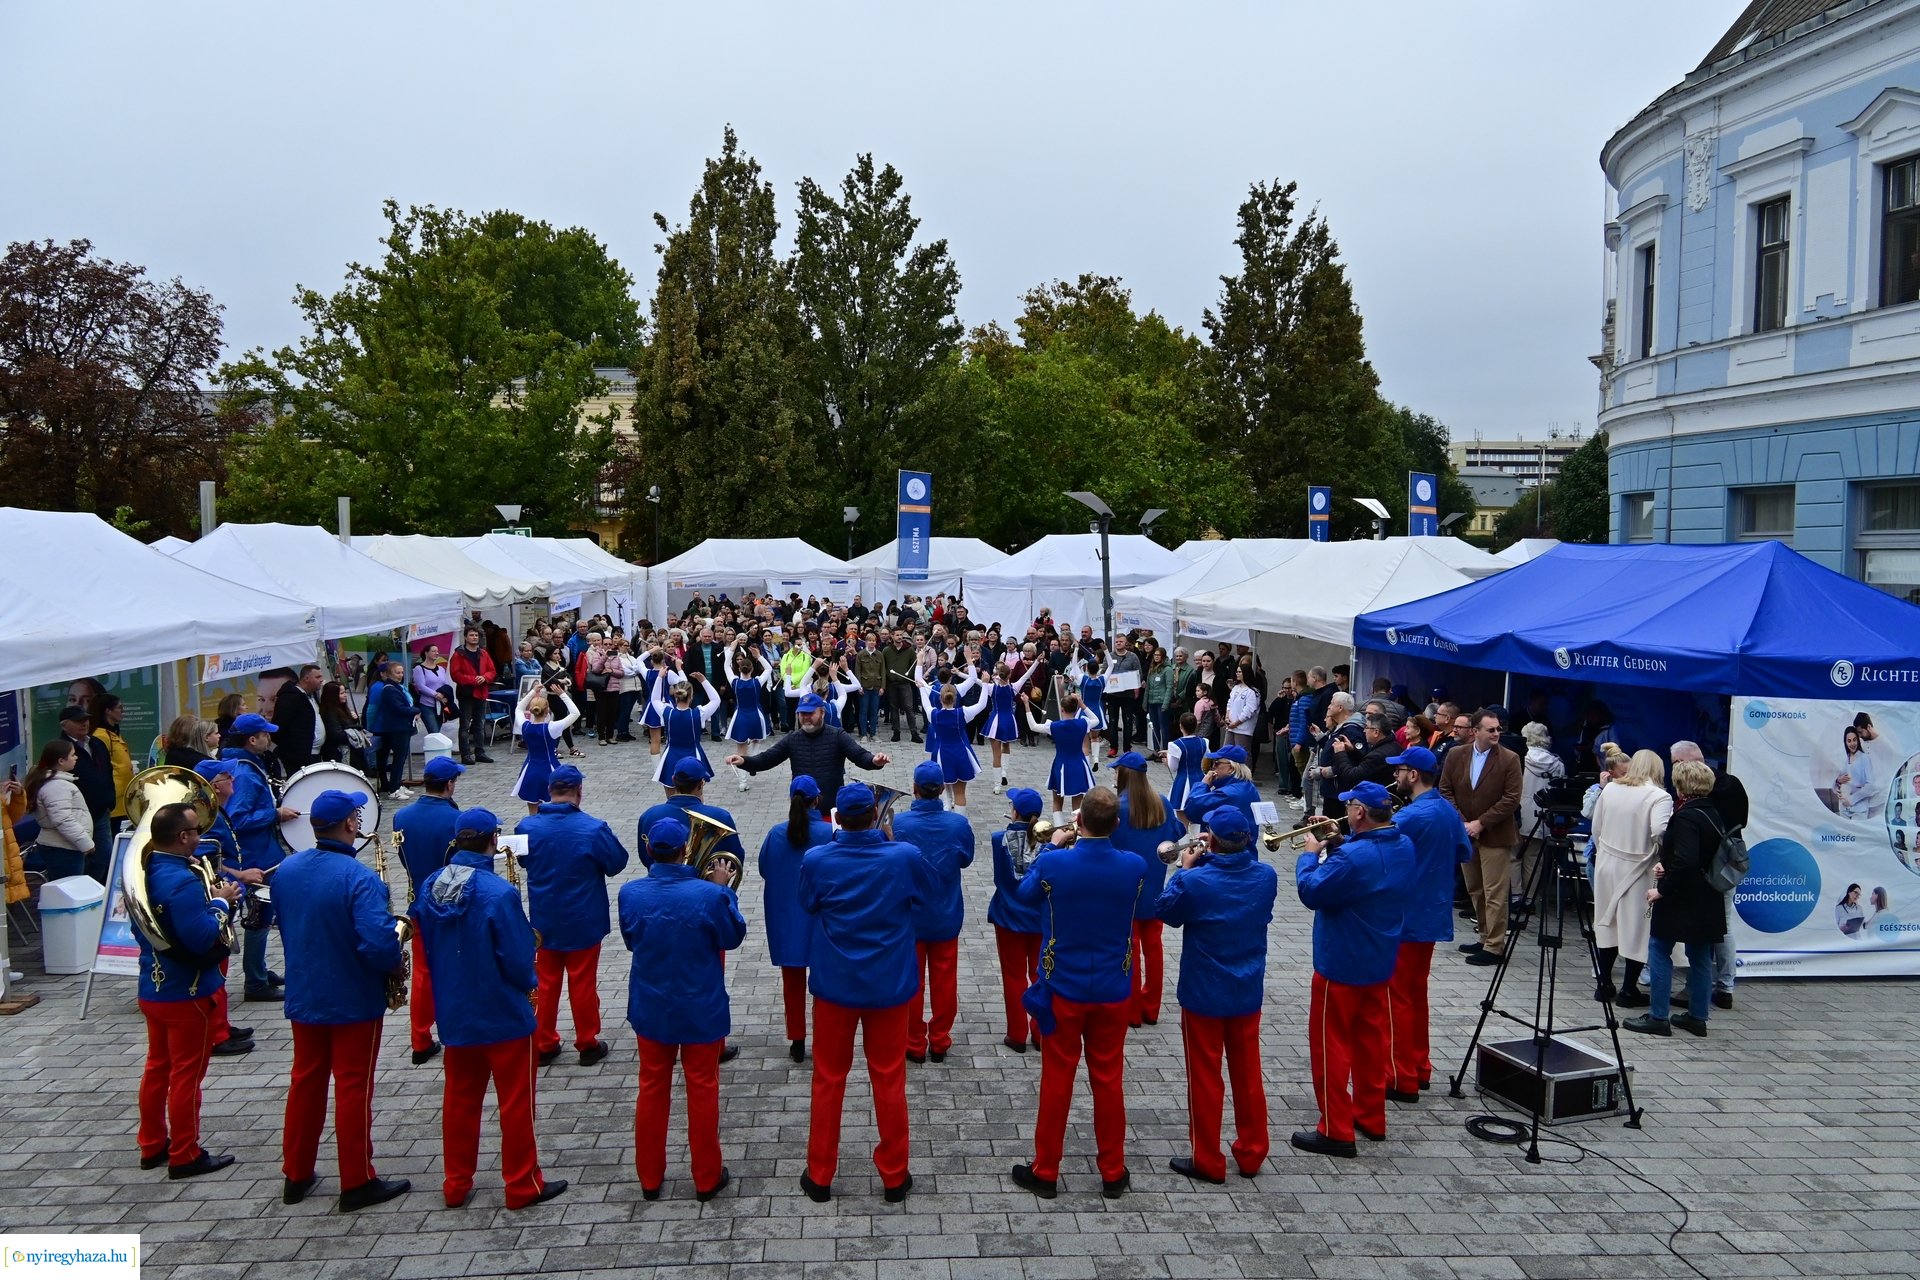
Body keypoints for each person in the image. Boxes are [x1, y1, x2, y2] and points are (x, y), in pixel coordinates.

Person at [411, 807, 565, 1209]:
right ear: (493, 841)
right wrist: (530, 983)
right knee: (516, 1103)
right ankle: (521, 1184)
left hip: (455, 1011)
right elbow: (517, 959)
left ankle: (456, 1183)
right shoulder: (498, 893)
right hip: (503, 1012)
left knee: (459, 1101)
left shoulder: (430, 885)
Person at [274, 788, 410, 1212]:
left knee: (305, 1081)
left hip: (305, 992)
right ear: (351, 824)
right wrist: (395, 964)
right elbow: (377, 944)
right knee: (353, 1086)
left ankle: (296, 1173)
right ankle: (356, 1179)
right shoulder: (360, 878)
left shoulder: (287, 869)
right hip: (352, 997)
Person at [1008, 787, 1147, 1200]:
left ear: (1079, 821)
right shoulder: (1134, 865)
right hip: (1113, 986)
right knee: (1109, 1080)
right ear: (1116, 824)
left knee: (1057, 1079)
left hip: (1063, 986)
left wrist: (1053, 845)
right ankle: (1112, 1171)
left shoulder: (1055, 862)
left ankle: (1046, 1169)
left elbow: (1024, 894)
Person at [795, 783, 930, 1204]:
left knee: (828, 1078)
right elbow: (925, 895)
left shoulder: (817, 859)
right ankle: (895, 1176)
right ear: (874, 815)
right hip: (888, 984)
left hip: (835, 983)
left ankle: (820, 1174)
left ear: (838, 818)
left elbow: (807, 903)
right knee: (889, 1078)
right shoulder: (904, 855)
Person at [621, 817, 747, 1202]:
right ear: (685, 850)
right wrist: (722, 891)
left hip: (651, 1004)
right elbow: (732, 937)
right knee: (703, 1087)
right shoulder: (709, 895)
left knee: (651, 1087)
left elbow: (631, 941)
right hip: (700, 1004)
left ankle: (649, 1177)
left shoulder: (630, 892)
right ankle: (706, 1177)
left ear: (649, 851)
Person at [1292, 781, 1415, 1158]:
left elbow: (1311, 892)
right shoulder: (1404, 845)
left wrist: (1310, 854)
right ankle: (1370, 1117)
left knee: (1330, 1046)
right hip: (1379, 959)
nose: (1345, 810)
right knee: (1370, 1043)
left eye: (1349, 806)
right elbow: (1368, 867)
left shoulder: (1351, 858)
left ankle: (1335, 1129)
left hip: (1341, 962)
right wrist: (1339, 840)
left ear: (1360, 812)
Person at [1157, 805, 1279, 1182]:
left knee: (1204, 1076)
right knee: (1248, 1073)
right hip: (1246, 987)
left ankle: (1207, 1158)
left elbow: (1166, 912)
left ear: (1210, 840)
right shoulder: (1266, 876)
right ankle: (1252, 1152)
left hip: (1204, 990)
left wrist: (1184, 869)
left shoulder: (1196, 881)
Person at [130, 801, 242, 1180]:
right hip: (187, 992)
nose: (200, 835)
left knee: (157, 1069)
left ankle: (151, 1145)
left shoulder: (145, 872)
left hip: (153, 986)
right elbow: (201, 937)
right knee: (186, 1076)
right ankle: (185, 1154)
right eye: (195, 830)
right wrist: (221, 902)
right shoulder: (181, 881)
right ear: (181, 837)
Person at [516, 764, 630, 1067]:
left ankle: (543, 1042)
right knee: (583, 982)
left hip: (543, 919)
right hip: (584, 919)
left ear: (549, 791)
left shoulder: (527, 827)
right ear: (579, 791)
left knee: (545, 982)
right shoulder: (593, 828)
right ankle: (587, 1042)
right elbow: (617, 863)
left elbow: (522, 862)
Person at [1381, 746, 1472, 1100]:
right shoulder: (1447, 810)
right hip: (1432, 914)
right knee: (1416, 995)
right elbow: (1463, 851)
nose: (1396, 776)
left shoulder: (1411, 816)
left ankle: (1400, 1076)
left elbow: (1378, 851)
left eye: (1400, 770)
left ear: (1414, 774)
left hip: (1406, 917)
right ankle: (1419, 1067)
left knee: (1397, 999)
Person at [1624, 760, 1725, 1039]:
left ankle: (1658, 1016)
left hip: (1682, 896)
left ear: (1682, 785)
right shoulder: (1713, 813)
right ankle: (1697, 1017)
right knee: (1700, 955)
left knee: (1659, 949)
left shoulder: (1685, 817)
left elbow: (1686, 860)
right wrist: (1667, 865)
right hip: (1708, 894)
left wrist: (1662, 889)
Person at [207, 713, 298, 1001]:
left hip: (260, 852)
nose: (269, 738)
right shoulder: (244, 773)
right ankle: (256, 982)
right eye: (265, 734)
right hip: (254, 856)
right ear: (252, 739)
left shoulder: (244, 766)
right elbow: (237, 819)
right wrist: (274, 814)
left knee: (262, 915)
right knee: (260, 916)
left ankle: (258, 970)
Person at [893, 761, 977, 1064]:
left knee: (912, 981)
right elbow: (966, 859)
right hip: (945, 913)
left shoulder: (899, 823)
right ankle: (940, 1039)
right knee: (945, 981)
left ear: (914, 788)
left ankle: (914, 1041)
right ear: (942, 789)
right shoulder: (958, 824)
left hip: (910, 916)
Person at [391, 756, 467, 1066]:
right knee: (455, 970)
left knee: (422, 974)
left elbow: (402, 857)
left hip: (418, 904)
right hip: (450, 904)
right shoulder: (456, 820)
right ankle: (456, 1031)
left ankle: (420, 1039)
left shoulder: (402, 816)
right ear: (449, 784)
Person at [1438, 709, 1522, 968]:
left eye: (1498, 729)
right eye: (1491, 729)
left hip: (1495, 835)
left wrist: (1481, 823)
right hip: (1465, 833)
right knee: (1475, 888)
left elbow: (1511, 798)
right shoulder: (1456, 755)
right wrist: (1462, 822)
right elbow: (1445, 789)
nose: (1497, 733)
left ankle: (1495, 946)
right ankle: (1485, 936)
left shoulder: (1509, 759)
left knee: (1495, 891)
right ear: (1475, 731)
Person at [756, 777, 831, 1062]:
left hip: (786, 917)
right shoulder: (829, 832)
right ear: (817, 800)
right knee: (824, 984)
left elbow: (764, 868)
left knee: (792, 982)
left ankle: (797, 1040)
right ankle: (823, 1038)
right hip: (821, 917)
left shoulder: (776, 833)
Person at [1670, 741, 1748, 1010]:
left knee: (1700, 930)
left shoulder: (1697, 794)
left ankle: (1696, 989)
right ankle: (1725, 986)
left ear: (1682, 763)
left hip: (1703, 868)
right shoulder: (1733, 784)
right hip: (1727, 865)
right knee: (1724, 926)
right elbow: (1742, 822)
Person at [1590, 748, 1672, 1006]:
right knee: (1636, 926)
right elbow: (1660, 830)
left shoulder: (1611, 789)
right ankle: (1628, 989)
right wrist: (1662, 854)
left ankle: (1604, 983)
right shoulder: (1659, 796)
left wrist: (1604, 853)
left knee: (1607, 921)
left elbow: (1596, 827)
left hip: (1607, 863)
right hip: (1639, 866)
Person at [1110, 752, 1184, 1027]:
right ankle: (1151, 1008)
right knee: (1154, 949)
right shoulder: (1161, 802)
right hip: (1154, 885)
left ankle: (1131, 1010)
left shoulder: (1117, 807)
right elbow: (1177, 833)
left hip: (1124, 888)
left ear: (1123, 774)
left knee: (1129, 949)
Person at [727, 693, 892, 812]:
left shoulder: (837, 735)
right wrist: (744, 761)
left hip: (831, 809)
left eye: (810, 713)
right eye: (802, 713)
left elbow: (859, 755)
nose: (805, 717)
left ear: (822, 712)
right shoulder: (793, 738)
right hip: (801, 812)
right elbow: (767, 759)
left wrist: (874, 761)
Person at [987, 788, 1047, 1052]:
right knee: (1040, 974)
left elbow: (999, 878)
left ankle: (1017, 1033)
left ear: (1015, 812)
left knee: (1013, 977)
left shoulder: (998, 839)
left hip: (1008, 916)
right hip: (1039, 917)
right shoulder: (1050, 843)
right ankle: (1041, 1032)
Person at [915, 662, 987, 811]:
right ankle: (960, 821)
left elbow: (925, 703)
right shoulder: (963, 713)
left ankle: (946, 808)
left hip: (942, 753)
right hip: (960, 752)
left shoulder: (933, 714)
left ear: (940, 698)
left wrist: (921, 687)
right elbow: (982, 704)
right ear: (955, 698)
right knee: (960, 793)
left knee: (943, 784)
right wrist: (985, 684)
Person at [57, 704, 115, 879]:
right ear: (64, 725)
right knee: (82, 859)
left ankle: (95, 887)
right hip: (78, 814)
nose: (84, 723)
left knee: (104, 855)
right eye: (78, 721)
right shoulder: (61, 748)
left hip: (101, 811)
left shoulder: (96, 743)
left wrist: (110, 799)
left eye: (86, 719)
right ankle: (85, 887)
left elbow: (108, 772)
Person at [1513, 721, 1568, 903]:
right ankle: (1529, 898)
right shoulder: (1557, 764)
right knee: (1534, 857)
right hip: (1542, 815)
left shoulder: (1519, 757)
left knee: (1513, 856)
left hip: (1519, 812)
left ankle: (1515, 895)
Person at [23, 740, 91, 882]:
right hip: (64, 848)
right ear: (61, 761)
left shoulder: (55, 783)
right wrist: (86, 843)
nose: (76, 757)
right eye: (72, 755)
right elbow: (63, 819)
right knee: (69, 889)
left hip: (63, 846)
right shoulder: (57, 786)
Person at [648, 663, 723, 790]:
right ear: (691, 696)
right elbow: (716, 700)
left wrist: (659, 677)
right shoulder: (699, 714)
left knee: (671, 799)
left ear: (675, 695)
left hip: (671, 757)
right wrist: (704, 681)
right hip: (694, 756)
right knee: (696, 797)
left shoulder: (667, 712)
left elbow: (654, 699)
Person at [511, 684, 582, 815]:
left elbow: (519, 709)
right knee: (556, 811)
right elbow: (575, 713)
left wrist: (533, 691)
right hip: (550, 770)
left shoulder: (525, 726)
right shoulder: (552, 728)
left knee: (533, 814)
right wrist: (562, 694)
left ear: (531, 710)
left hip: (530, 770)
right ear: (547, 710)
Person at [1028, 692, 1094, 817]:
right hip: (1079, 765)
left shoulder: (1054, 726)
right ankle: (1077, 829)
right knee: (1078, 804)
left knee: (1057, 802)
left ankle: (1059, 827)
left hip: (1060, 765)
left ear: (1062, 709)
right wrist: (1083, 705)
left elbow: (1033, 726)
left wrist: (1027, 705)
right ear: (1076, 709)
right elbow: (1097, 720)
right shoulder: (1083, 723)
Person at [722, 638, 775, 789]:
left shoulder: (735, 682)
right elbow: (769, 669)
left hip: (740, 716)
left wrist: (731, 649)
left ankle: (742, 782)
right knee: (757, 740)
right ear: (751, 669)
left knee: (740, 749)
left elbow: (726, 666)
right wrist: (759, 656)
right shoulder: (757, 682)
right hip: (756, 715)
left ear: (739, 669)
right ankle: (753, 762)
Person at [978, 658, 1035, 795]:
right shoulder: (1014, 687)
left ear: (999, 674)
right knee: (1006, 746)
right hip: (1009, 720)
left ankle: (997, 785)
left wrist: (961, 673)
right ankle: (1004, 772)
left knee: (996, 754)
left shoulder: (992, 687)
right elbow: (1027, 675)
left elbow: (974, 680)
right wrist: (1037, 661)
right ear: (1010, 675)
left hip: (995, 721)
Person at [367, 661, 421, 800]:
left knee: (400, 758)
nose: (400, 675)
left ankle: (396, 784)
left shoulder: (397, 687)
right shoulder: (389, 689)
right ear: (389, 674)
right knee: (398, 758)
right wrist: (416, 710)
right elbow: (399, 708)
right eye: (397, 673)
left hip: (401, 727)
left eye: (402, 672)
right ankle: (393, 789)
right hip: (397, 728)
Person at [448, 628, 498, 765]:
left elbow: (492, 670)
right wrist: (474, 680)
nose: (474, 637)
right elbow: (455, 674)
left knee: (480, 724)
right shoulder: (458, 654)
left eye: (476, 635)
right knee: (465, 725)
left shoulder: (483, 653)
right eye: (471, 635)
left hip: (481, 692)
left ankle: (480, 752)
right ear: (465, 637)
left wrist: (485, 677)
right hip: (466, 693)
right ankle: (466, 754)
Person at [273, 665, 329, 775]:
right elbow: (279, 727)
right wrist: (294, 749)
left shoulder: (311, 695)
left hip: (315, 754)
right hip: (299, 757)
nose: (321, 680)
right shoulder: (290, 697)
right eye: (317, 677)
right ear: (306, 678)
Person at [411, 645, 457, 737]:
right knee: (434, 732)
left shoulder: (441, 669)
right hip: (427, 705)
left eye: (437, 651)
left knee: (437, 733)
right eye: (433, 651)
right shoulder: (419, 668)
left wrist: (444, 695)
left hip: (440, 705)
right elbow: (421, 686)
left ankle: (434, 746)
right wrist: (436, 695)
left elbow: (446, 683)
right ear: (426, 653)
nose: (436, 653)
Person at [1837, 725, 1875, 819]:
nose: (1852, 743)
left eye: (1854, 740)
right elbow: (1837, 782)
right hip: (1843, 808)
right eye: (1849, 741)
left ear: (1858, 740)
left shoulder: (1864, 758)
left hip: (1859, 809)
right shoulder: (1845, 760)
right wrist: (1838, 781)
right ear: (1845, 742)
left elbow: (1870, 786)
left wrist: (1851, 800)